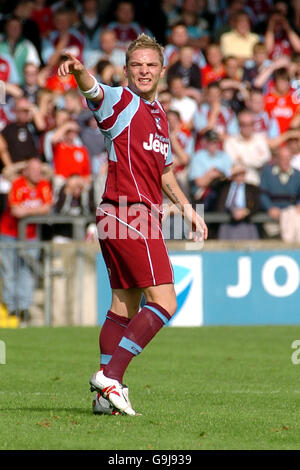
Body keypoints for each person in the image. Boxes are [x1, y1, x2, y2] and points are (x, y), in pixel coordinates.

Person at [58, 33, 207, 416]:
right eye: (136, 65)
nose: (143, 71)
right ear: (126, 70)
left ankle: (104, 398)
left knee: (123, 307)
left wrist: (189, 209)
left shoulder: (160, 118)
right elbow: (93, 91)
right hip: (130, 212)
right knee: (165, 301)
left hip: (115, 215)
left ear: (161, 70)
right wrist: (78, 70)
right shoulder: (121, 100)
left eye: (150, 65)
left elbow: (166, 173)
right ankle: (111, 377)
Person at [0, 157, 52, 320]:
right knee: (9, 271)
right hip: (9, 234)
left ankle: (24, 308)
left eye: (39, 170)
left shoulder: (44, 184)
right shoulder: (18, 183)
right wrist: (37, 209)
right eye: (34, 169)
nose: (38, 173)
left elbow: (47, 208)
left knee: (27, 271)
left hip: (30, 236)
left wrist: (27, 211)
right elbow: (16, 211)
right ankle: (11, 307)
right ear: (26, 170)